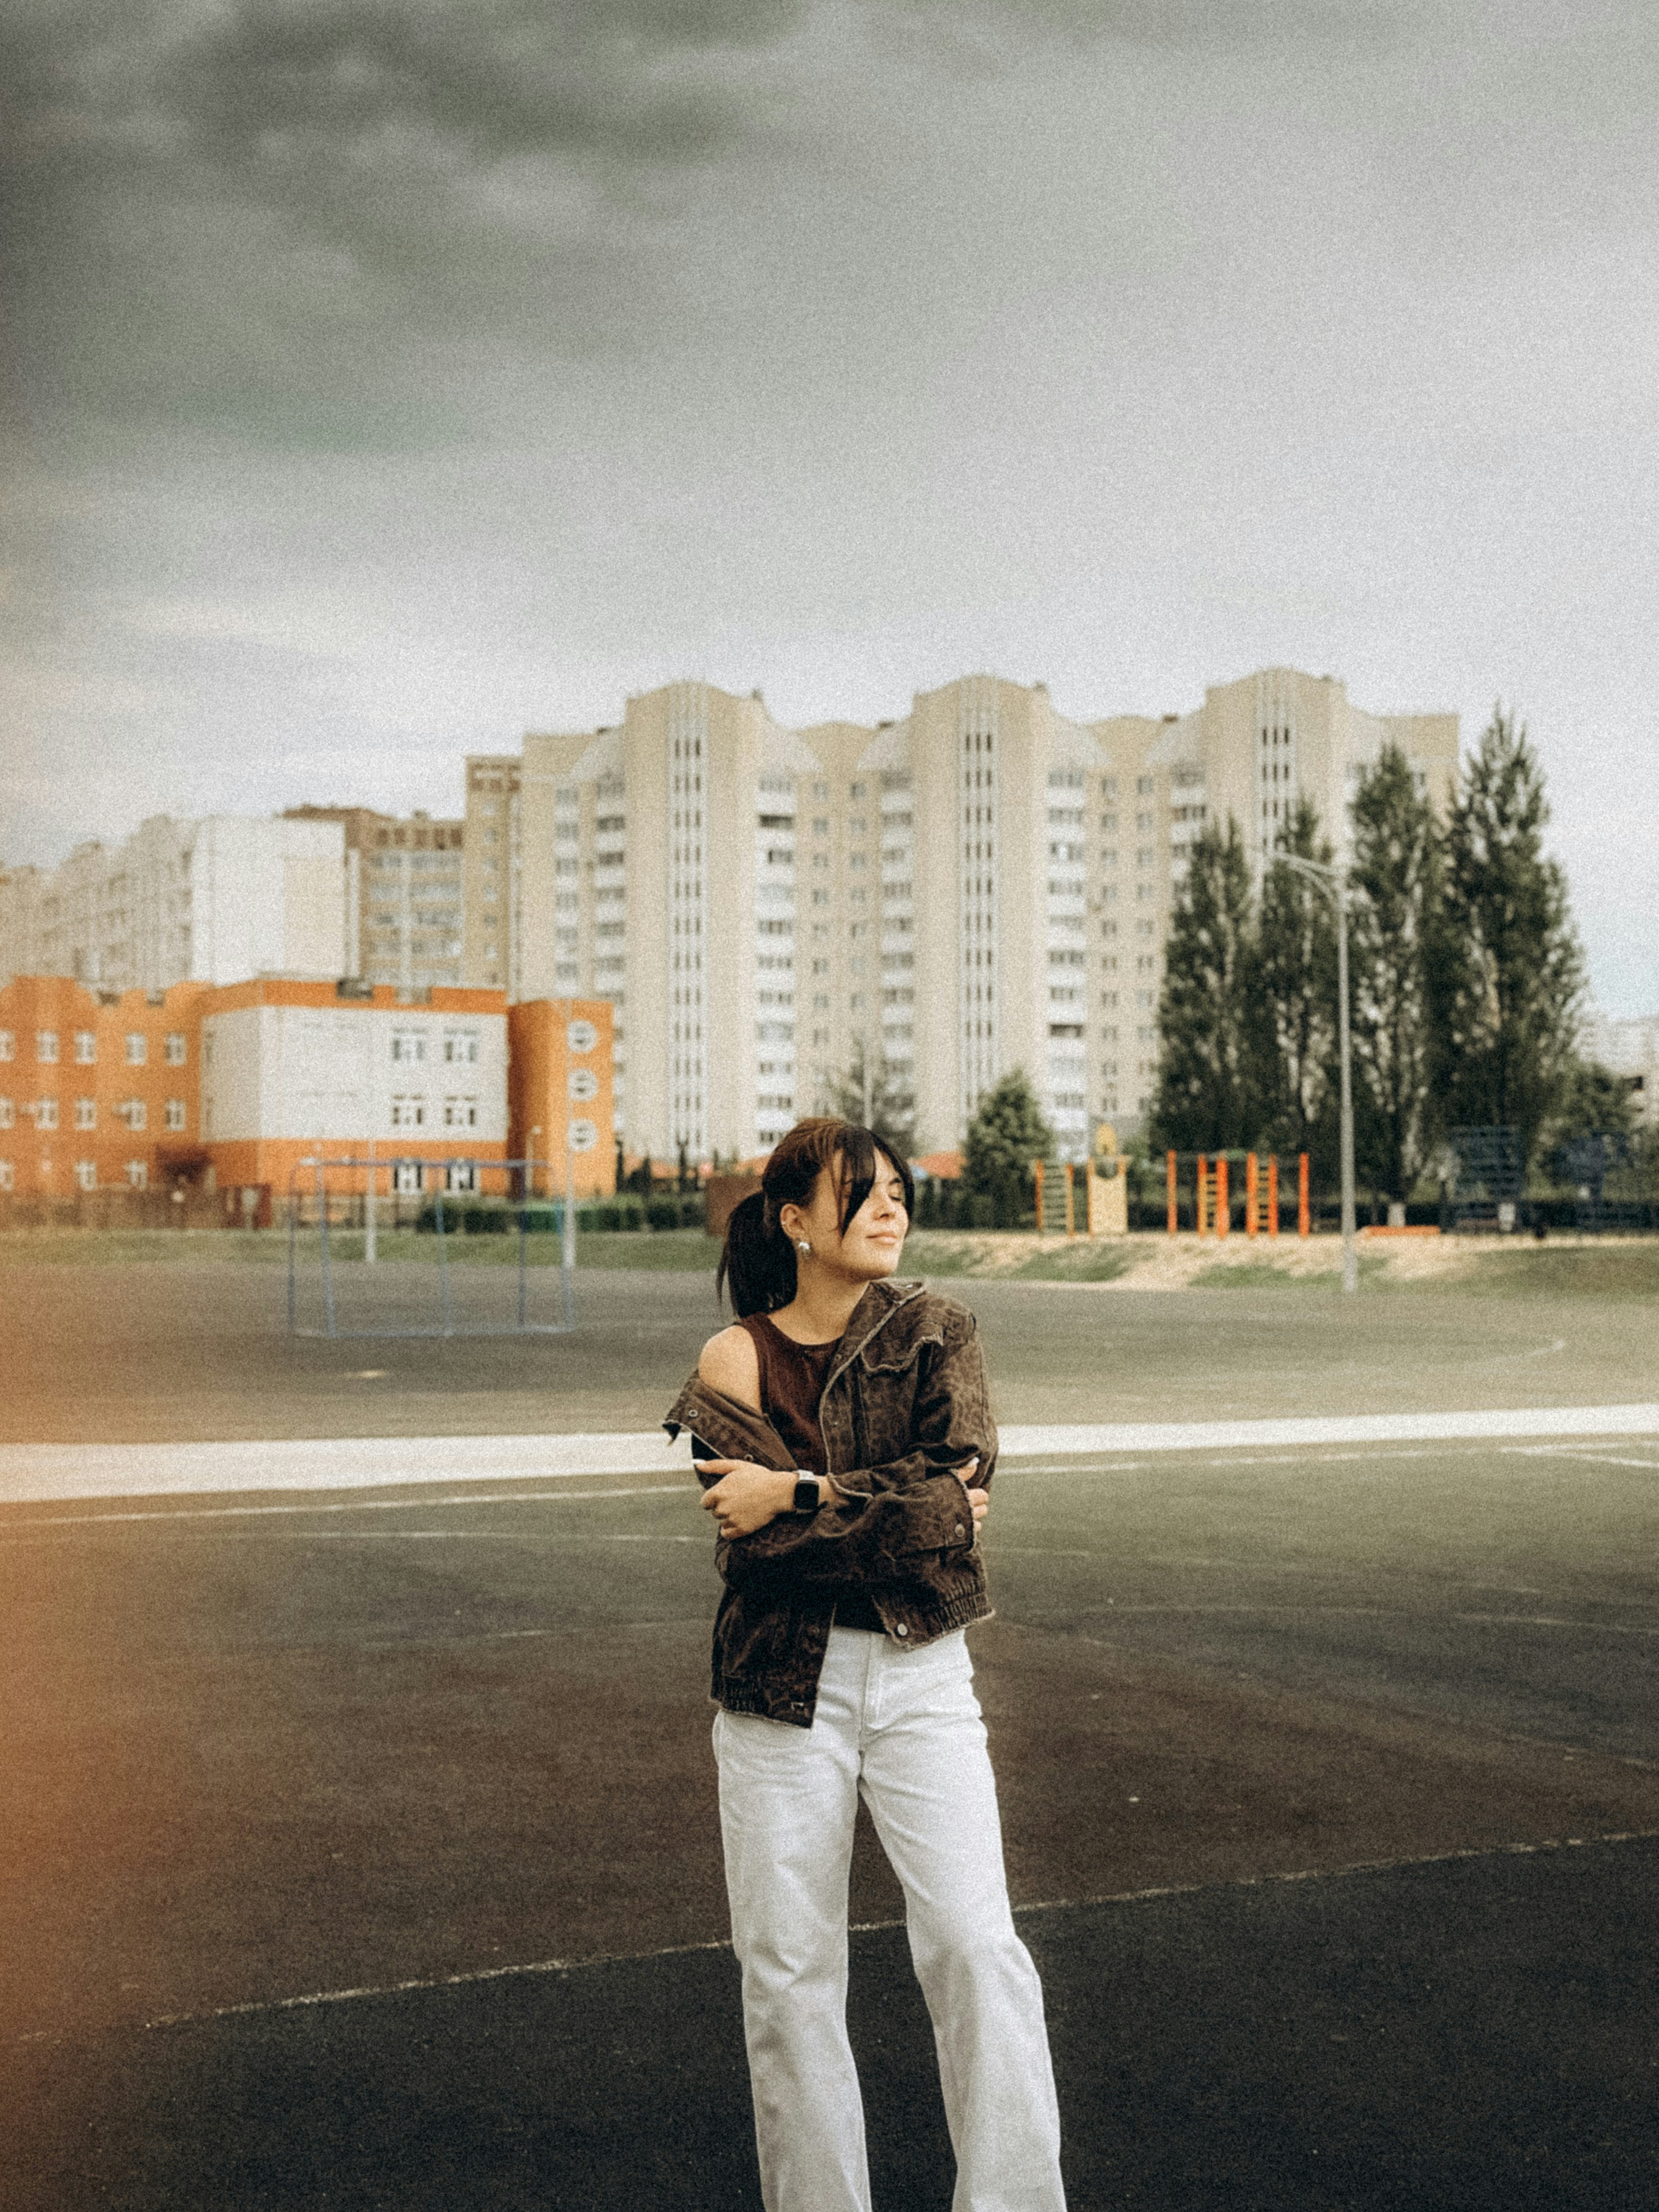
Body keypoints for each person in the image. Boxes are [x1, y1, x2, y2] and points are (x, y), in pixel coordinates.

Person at [662, 1117, 1066, 2212]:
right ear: (794, 1219)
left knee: (976, 1946)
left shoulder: (938, 1326)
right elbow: (761, 1544)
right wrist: (903, 1501)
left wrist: (797, 1489)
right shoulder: (732, 1356)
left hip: (921, 1671)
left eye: (896, 1188)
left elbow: (958, 1504)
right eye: (861, 1190)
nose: (891, 1205)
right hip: (776, 1691)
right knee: (789, 1982)